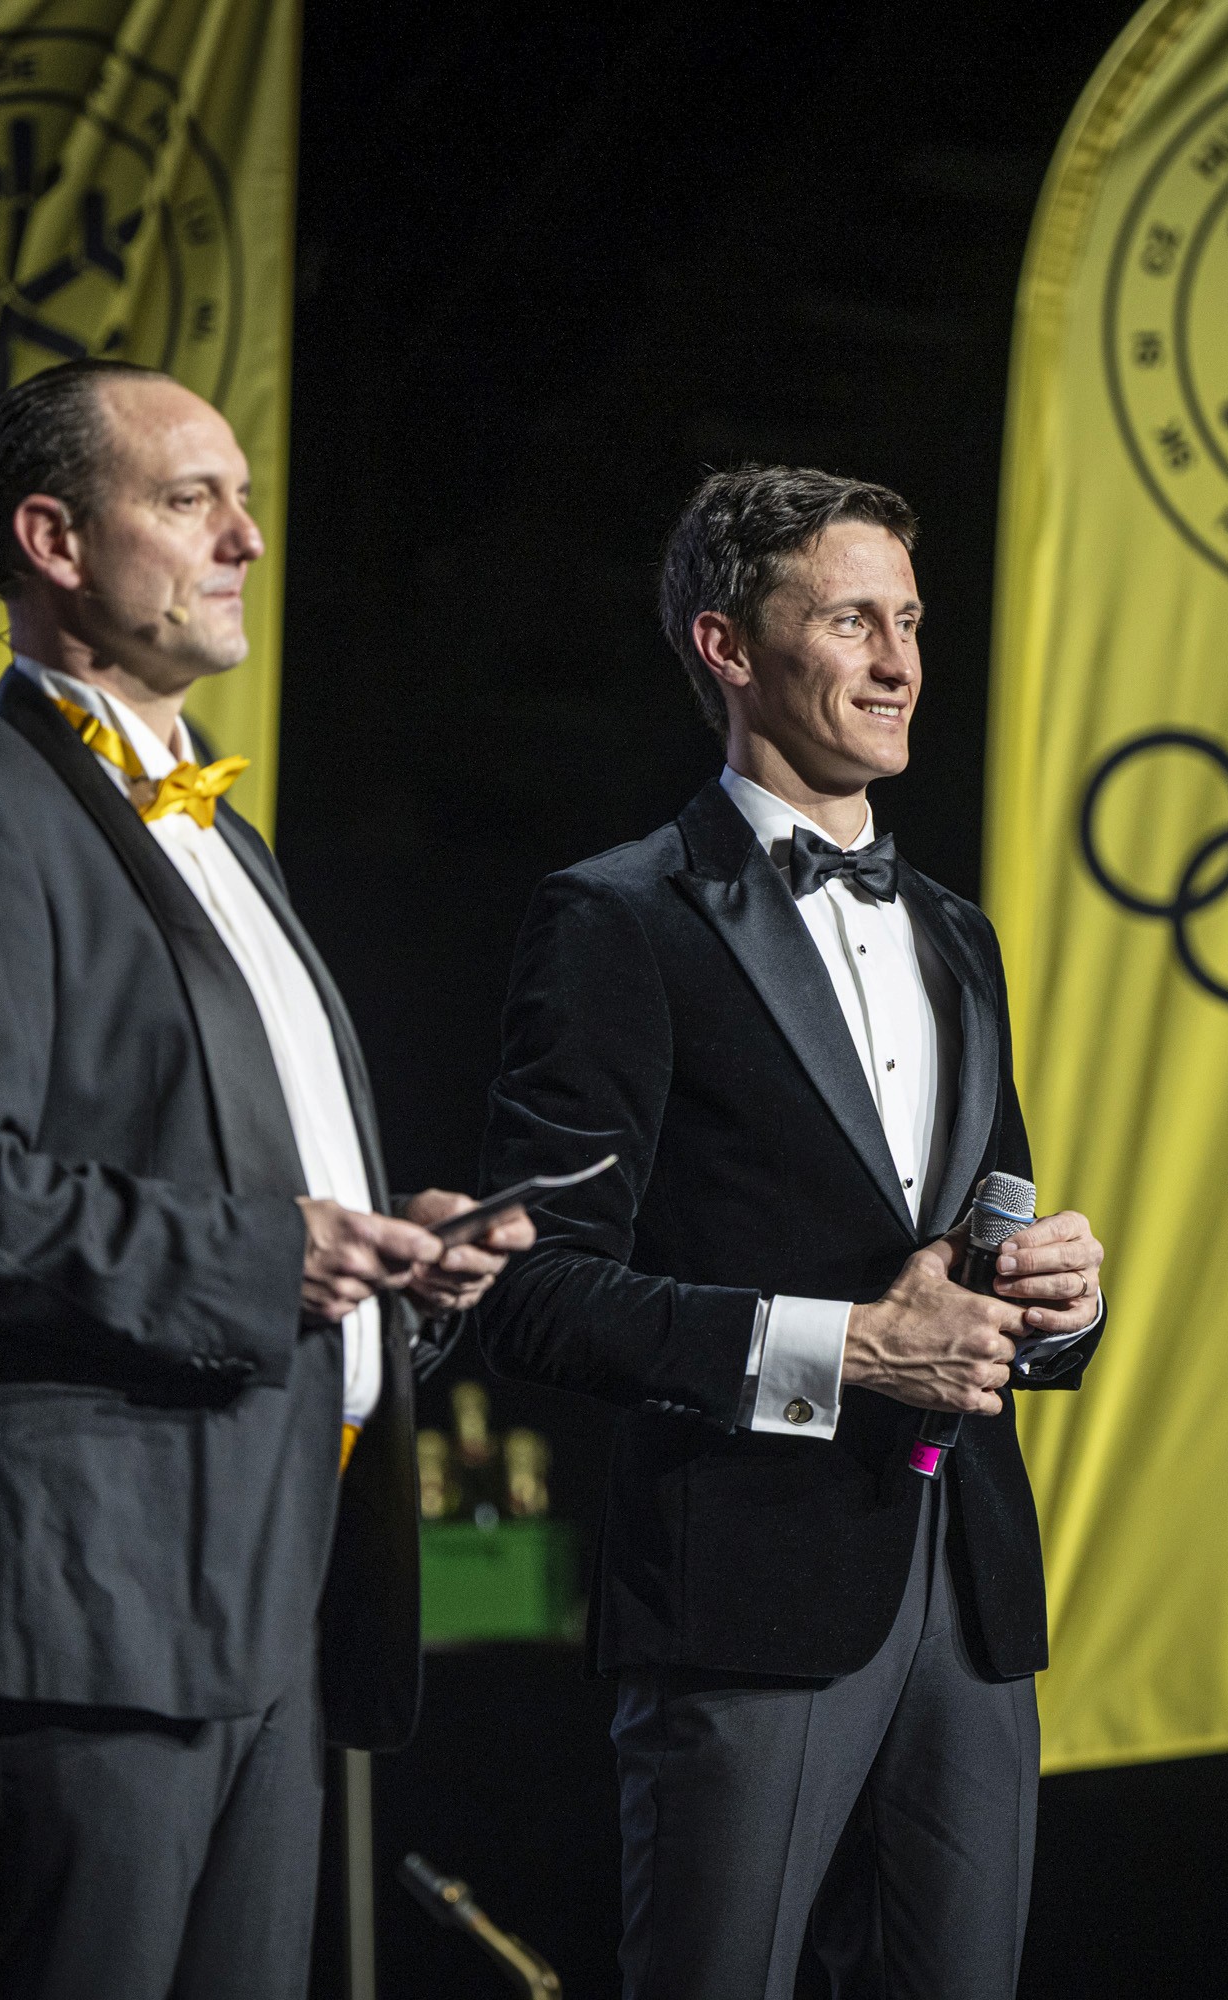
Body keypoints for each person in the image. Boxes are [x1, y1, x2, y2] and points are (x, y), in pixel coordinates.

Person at [0, 357, 533, 2000]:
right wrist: (257, 1256)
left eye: (245, 499)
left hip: (255, 1586)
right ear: (55, 538)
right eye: (191, 499)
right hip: (83, 1607)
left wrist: (383, 1250)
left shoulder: (217, 827)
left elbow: (218, 1163)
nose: (247, 542)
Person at [471, 465, 1109, 1997]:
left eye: (909, 621)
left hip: (967, 1596)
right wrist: (845, 1349)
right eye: (851, 621)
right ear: (729, 647)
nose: (900, 664)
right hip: (745, 1602)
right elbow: (533, 1292)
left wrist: (1057, 1301)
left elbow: (970, 1245)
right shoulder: (619, 918)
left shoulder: (958, 930)